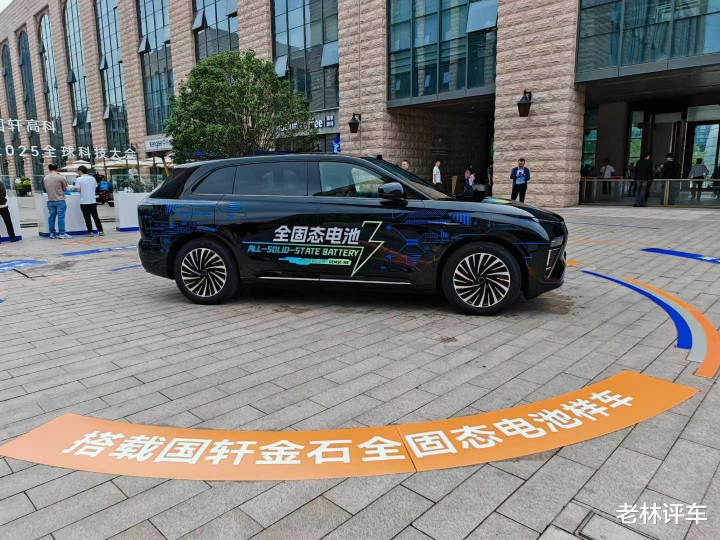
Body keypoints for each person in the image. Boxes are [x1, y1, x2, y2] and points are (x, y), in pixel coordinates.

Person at [44, 163, 71, 239]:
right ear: (57, 168)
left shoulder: (45, 178)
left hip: (50, 200)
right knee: (61, 217)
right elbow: (65, 189)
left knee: (52, 217)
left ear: (49, 169)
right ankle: (62, 234)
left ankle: (52, 233)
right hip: (60, 200)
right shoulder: (61, 177)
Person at [76, 165, 104, 236]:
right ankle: (100, 231)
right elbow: (95, 187)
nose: (78, 173)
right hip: (92, 200)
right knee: (95, 216)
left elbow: (78, 190)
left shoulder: (79, 179)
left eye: (78, 171)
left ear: (80, 171)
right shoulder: (92, 178)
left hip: (84, 201)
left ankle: (90, 232)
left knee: (87, 217)